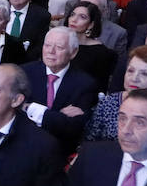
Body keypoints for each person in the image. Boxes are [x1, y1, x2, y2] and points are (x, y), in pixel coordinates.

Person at [85, 45, 147, 153]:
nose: (134, 78)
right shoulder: (107, 103)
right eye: (131, 71)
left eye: (144, 74)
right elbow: (90, 141)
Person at [19, 26, 99, 156]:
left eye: (59, 48)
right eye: (47, 45)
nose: (51, 51)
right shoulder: (23, 73)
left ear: (73, 52)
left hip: (57, 154)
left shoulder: (85, 84)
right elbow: (13, 113)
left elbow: (74, 128)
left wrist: (30, 108)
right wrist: (58, 116)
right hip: (22, 147)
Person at [64, 0, 117, 89]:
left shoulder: (101, 53)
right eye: (72, 15)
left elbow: (99, 86)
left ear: (91, 24)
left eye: (82, 17)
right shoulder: (59, 43)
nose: (74, 20)